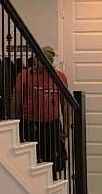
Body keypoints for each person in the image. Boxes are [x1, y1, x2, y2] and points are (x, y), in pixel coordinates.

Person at [12, 45, 68, 180]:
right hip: (28, 123)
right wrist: (13, 125)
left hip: (51, 124)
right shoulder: (24, 75)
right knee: (30, 162)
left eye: (44, 61)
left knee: (52, 162)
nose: (40, 64)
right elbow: (16, 101)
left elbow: (65, 103)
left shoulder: (59, 77)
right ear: (35, 59)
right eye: (38, 60)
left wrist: (66, 125)